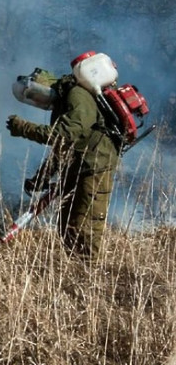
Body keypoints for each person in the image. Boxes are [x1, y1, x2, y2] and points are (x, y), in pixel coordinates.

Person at [6, 59, 121, 261]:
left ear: (46, 87)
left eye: (35, 94)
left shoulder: (76, 94)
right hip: (78, 165)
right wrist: (42, 177)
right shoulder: (62, 103)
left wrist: (23, 128)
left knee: (86, 226)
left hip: (94, 166)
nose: (37, 100)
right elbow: (63, 148)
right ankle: (74, 268)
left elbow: (64, 135)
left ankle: (89, 272)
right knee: (67, 225)